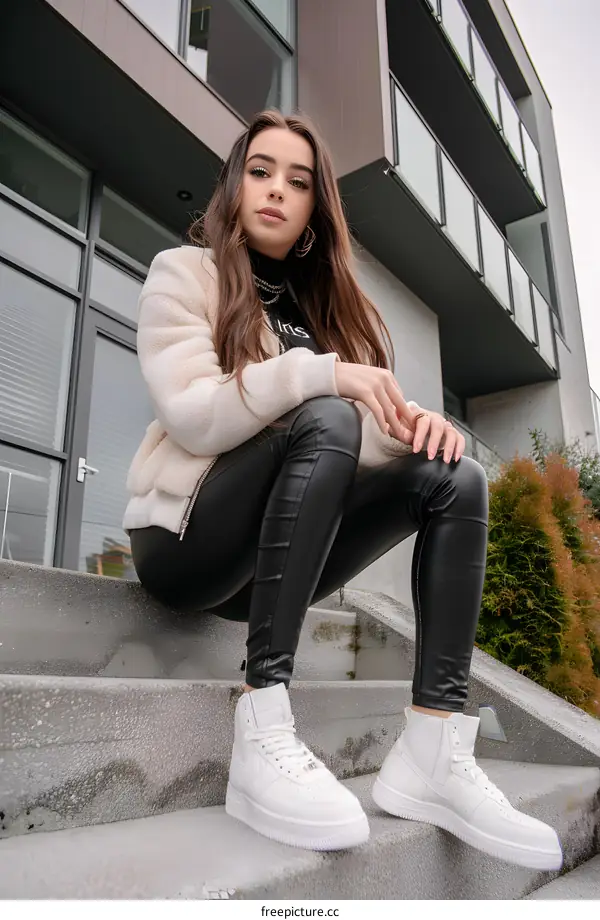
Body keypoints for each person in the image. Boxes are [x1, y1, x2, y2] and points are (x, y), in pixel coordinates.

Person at [124, 110, 562, 870]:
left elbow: (359, 438)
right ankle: (263, 721)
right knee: (324, 414)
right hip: (185, 543)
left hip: (261, 568)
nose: (275, 191)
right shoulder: (181, 273)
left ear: (312, 215)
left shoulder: (322, 318)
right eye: (259, 171)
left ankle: (433, 749)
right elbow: (195, 415)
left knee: (452, 477)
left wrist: (418, 424)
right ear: (233, 187)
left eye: (298, 183)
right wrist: (325, 378)